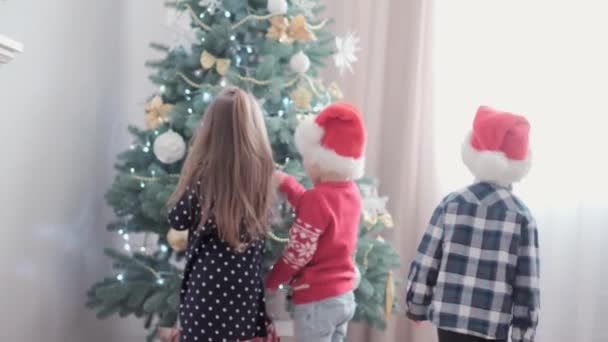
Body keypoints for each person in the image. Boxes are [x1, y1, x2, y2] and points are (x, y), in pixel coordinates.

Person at [405, 106, 540, 342]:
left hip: (449, 320)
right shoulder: (522, 216)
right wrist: (523, 332)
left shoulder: (451, 204)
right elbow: (526, 283)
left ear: (472, 154)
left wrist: (417, 304)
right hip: (491, 325)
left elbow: (427, 259)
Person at [167, 87, 277, 342]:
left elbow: (177, 218)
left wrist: (188, 175)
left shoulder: (202, 177)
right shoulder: (261, 176)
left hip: (208, 285)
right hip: (246, 286)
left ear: (211, 131)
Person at [266, 102, 367, 342]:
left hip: (316, 301)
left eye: (307, 158)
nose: (305, 164)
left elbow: (298, 253)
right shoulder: (351, 192)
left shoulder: (317, 199)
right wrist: (289, 185)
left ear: (319, 161)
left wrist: (272, 280)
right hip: (344, 296)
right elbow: (319, 209)